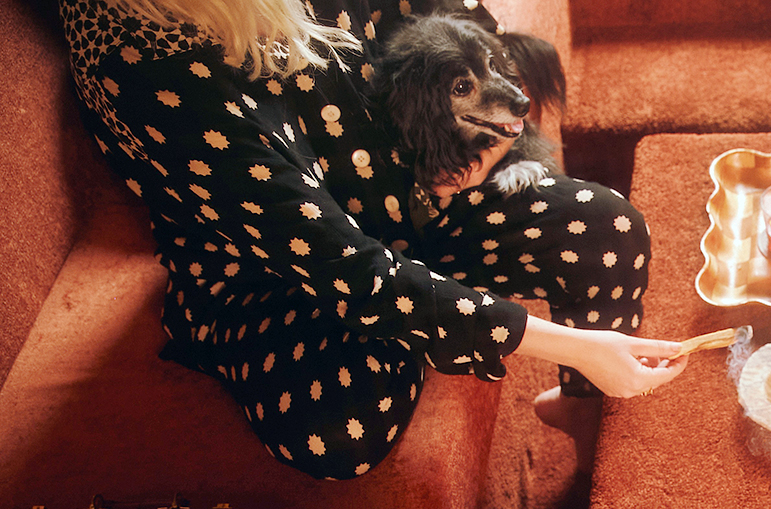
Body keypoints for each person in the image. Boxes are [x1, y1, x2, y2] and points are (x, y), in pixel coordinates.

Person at [61, 0, 685, 479]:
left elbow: (458, 22)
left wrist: (483, 149)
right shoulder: (143, 64)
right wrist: (574, 344)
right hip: (279, 276)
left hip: (408, 189)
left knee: (606, 229)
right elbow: (341, 266)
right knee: (340, 428)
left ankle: (575, 408)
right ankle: (428, 315)